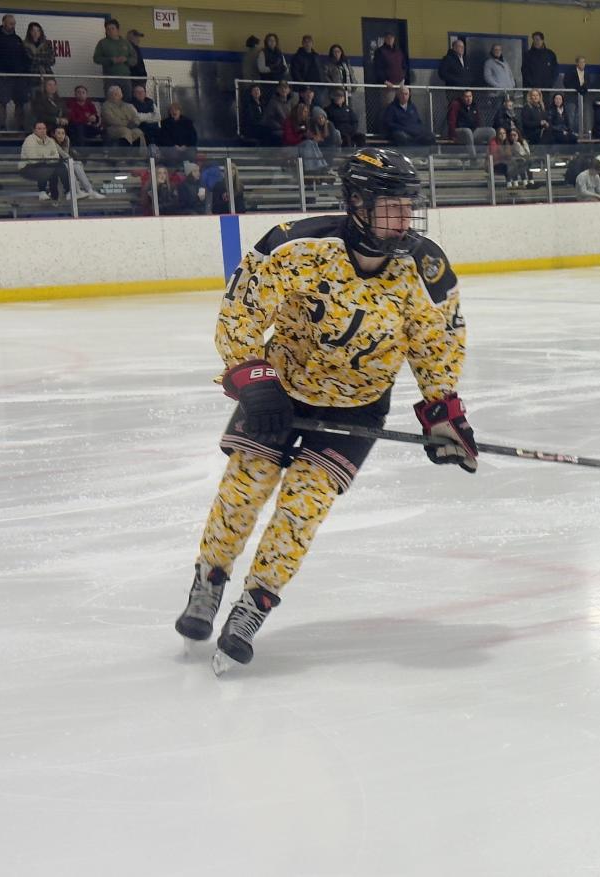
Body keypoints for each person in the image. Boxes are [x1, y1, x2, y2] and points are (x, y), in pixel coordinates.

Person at [173, 147, 476, 673]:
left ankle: (253, 604)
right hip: (279, 391)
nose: (405, 219)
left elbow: (437, 343)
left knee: (302, 510)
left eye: (409, 206)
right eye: (392, 206)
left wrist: (443, 412)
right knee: (243, 490)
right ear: (357, 202)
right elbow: (241, 311)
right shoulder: (296, 246)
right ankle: (210, 578)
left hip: (355, 409)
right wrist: (254, 379)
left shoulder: (424, 267)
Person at [0, 15, 29, 130]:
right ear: (4, 22)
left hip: (19, 76)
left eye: (14, 23)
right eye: (10, 23)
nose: (12, 25)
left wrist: (25, 70)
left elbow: (24, 56)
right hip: (3, 76)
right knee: (3, 101)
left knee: (20, 102)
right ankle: (2, 127)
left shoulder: (17, 39)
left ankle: (19, 127)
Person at [19, 120, 70, 200]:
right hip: (27, 168)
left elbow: (56, 157)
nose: (42, 131)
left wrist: (44, 157)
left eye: (44, 128)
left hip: (45, 164)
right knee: (46, 167)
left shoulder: (50, 140)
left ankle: (67, 191)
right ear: (34, 130)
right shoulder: (29, 140)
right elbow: (33, 159)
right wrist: (48, 158)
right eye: (39, 129)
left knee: (60, 166)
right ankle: (42, 191)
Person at [50, 125, 105, 198]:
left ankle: (90, 190)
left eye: (63, 133)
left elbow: (66, 153)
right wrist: (71, 161)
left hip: (64, 162)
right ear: (54, 134)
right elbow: (62, 153)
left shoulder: (66, 139)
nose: (61, 135)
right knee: (70, 165)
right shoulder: (51, 141)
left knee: (76, 166)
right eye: (58, 133)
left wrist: (72, 161)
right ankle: (77, 190)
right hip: (53, 165)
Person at [93, 18, 136, 99]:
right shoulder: (102, 43)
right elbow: (96, 59)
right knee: (111, 101)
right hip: (110, 78)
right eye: (108, 29)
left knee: (127, 100)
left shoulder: (126, 43)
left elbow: (134, 59)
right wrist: (111, 60)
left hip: (125, 78)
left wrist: (126, 59)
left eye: (112, 28)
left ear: (118, 30)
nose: (110, 31)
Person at [447, 89, 495, 157]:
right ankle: (473, 158)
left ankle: (492, 156)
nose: (468, 99)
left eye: (470, 96)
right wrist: (453, 135)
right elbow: (451, 121)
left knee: (491, 131)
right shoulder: (456, 105)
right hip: (459, 131)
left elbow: (478, 120)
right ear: (462, 97)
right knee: (468, 131)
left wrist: (479, 129)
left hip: (472, 131)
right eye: (466, 96)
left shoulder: (474, 105)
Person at [100, 84, 146, 151]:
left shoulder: (128, 106)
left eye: (118, 94)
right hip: (112, 128)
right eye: (114, 94)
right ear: (109, 96)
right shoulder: (106, 106)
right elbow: (111, 120)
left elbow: (136, 118)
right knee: (125, 132)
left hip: (130, 127)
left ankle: (139, 155)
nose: (116, 96)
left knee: (138, 132)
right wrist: (127, 123)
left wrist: (134, 123)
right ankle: (123, 156)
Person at [372, 32, 409, 113]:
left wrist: (403, 78)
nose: (390, 39)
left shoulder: (399, 52)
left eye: (392, 37)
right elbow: (378, 68)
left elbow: (404, 66)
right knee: (388, 107)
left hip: (400, 83)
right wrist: (384, 81)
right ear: (385, 39)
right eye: (388, 38)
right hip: (388, 86)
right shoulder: (380, 52)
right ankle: (386, 124)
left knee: (402, 105)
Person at [261, 80, 295, 146]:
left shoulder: (291, 102)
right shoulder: (273, 102)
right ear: (277, 90)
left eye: (285, 88)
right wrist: (283, 127)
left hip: (290, 129)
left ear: (289, 90)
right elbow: (269, 119)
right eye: (281, 88)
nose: (283, 90)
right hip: (278, 130)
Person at [563, 57, 590, 135]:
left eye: (584, 62)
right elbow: (566, 83)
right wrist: (577, 87)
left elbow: (588, 84)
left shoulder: (587, 74)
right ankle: (570, 132)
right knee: (571, 115)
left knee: (579, 115)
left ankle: (578, 132)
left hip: (582, 98)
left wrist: (584, 88)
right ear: (577, 63)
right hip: (571, 97)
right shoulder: (570, 72)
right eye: (581, 62)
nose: (582, 64)